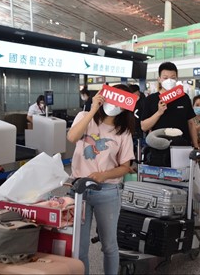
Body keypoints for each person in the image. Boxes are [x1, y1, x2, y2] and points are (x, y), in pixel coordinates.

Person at [67, 84, 136, 274]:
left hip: (107, 192)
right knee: (79, 248)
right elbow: (72, 137)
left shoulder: (124, 132)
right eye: (111, 97)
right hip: (78, 190)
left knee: (109, 245)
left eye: (119, 100)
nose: (113, 103)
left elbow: (125, 166)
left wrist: (103, 175)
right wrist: (92, 109)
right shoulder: (84, 117)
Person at [141, 62, 199, 156]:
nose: (169, 80)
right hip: (159, 148)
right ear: (159, 79)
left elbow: (191, 123)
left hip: (182, 147)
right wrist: (159, 112)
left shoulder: (184, 97)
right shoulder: (151, 99)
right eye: (165, 77)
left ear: (176, 78)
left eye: (173, 77)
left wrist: (196, 146)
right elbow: (144, 126)